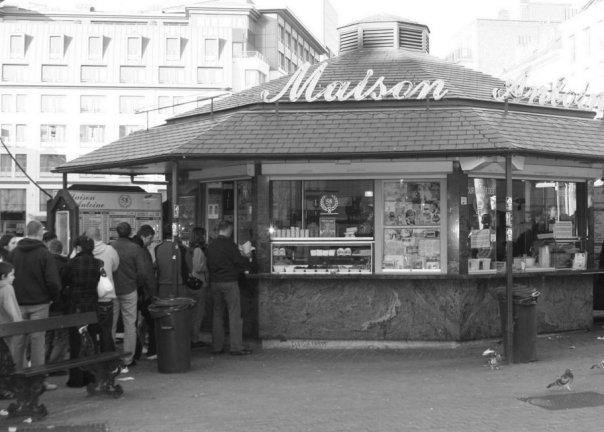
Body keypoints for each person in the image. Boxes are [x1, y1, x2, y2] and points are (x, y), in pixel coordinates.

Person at [8, 221, 61, 390]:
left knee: (18, 342)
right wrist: (52, 297)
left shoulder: (14, 253)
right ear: (39, 233)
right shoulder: (44, 253)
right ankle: (39, 380)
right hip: (40, 303)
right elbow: (53, 281)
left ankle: (16, 378)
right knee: (38, 342)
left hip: (17, 303)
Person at [110, 222, 155, 370]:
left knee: (112, 323)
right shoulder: (135, 248)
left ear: (117, 232)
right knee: (130, 324)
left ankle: (110, 356)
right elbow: (143, 272)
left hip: (112, 289)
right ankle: (128, 358)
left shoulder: (111, 247)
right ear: (130, 233)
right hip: (130, 289)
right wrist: (137, 283)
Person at [206, 220, 252, 356]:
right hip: (229, 282)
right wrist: (247, 257)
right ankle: (236, 347)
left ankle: (217, 346)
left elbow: (208, 263)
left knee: (217, 314)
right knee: (234, 314)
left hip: (215, 283)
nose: (231, 232)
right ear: (227, 229)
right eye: (231, 230)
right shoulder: (229, 244)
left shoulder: (211, 245)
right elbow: (238, 261)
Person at [63, 235, 102, 387]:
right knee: (91, 340)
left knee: (76, 342)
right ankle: (91, 376)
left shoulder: (72, 263)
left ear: (78, 248)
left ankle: (77, 378)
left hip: (75, 306)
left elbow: (63, 281)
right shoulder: (97, 263)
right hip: (92, 306)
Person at [88, 228, 119, 354]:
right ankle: (108, 361)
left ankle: (93, 359)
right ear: (100, 236)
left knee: (90, 332)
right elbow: (115, 266)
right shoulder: (109, 250)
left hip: (89, 298)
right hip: (105, 297)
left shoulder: (82, 251)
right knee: (106, 331)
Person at [130, 225, 157, 360]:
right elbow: (147, 274)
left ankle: (135, 352)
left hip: (129, 289)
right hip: (142, 292)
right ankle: (152, 350)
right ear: (145, 236)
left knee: (132, 322)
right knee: (152, 320)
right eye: (150, 239)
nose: (151, 242)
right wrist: (153, 293)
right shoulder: (141, 251)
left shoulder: (129, 246)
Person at [46, 239, 70, 367]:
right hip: (61, 304)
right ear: (61, 250)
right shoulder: (66, 264)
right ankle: (55, 364)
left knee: (47, 335)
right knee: (61, 336)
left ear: (49, 249)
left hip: (47, 304)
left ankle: (43, 364)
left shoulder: (45, 263)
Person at [188, 227, 209, 348]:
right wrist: (206, 266)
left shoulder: (191, 249)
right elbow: (198, 267)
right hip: (199, 283)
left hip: (193, 283)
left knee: (194, 313)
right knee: (198, 313)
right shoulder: (198, 251)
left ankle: (193, 337)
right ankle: (194, 338)